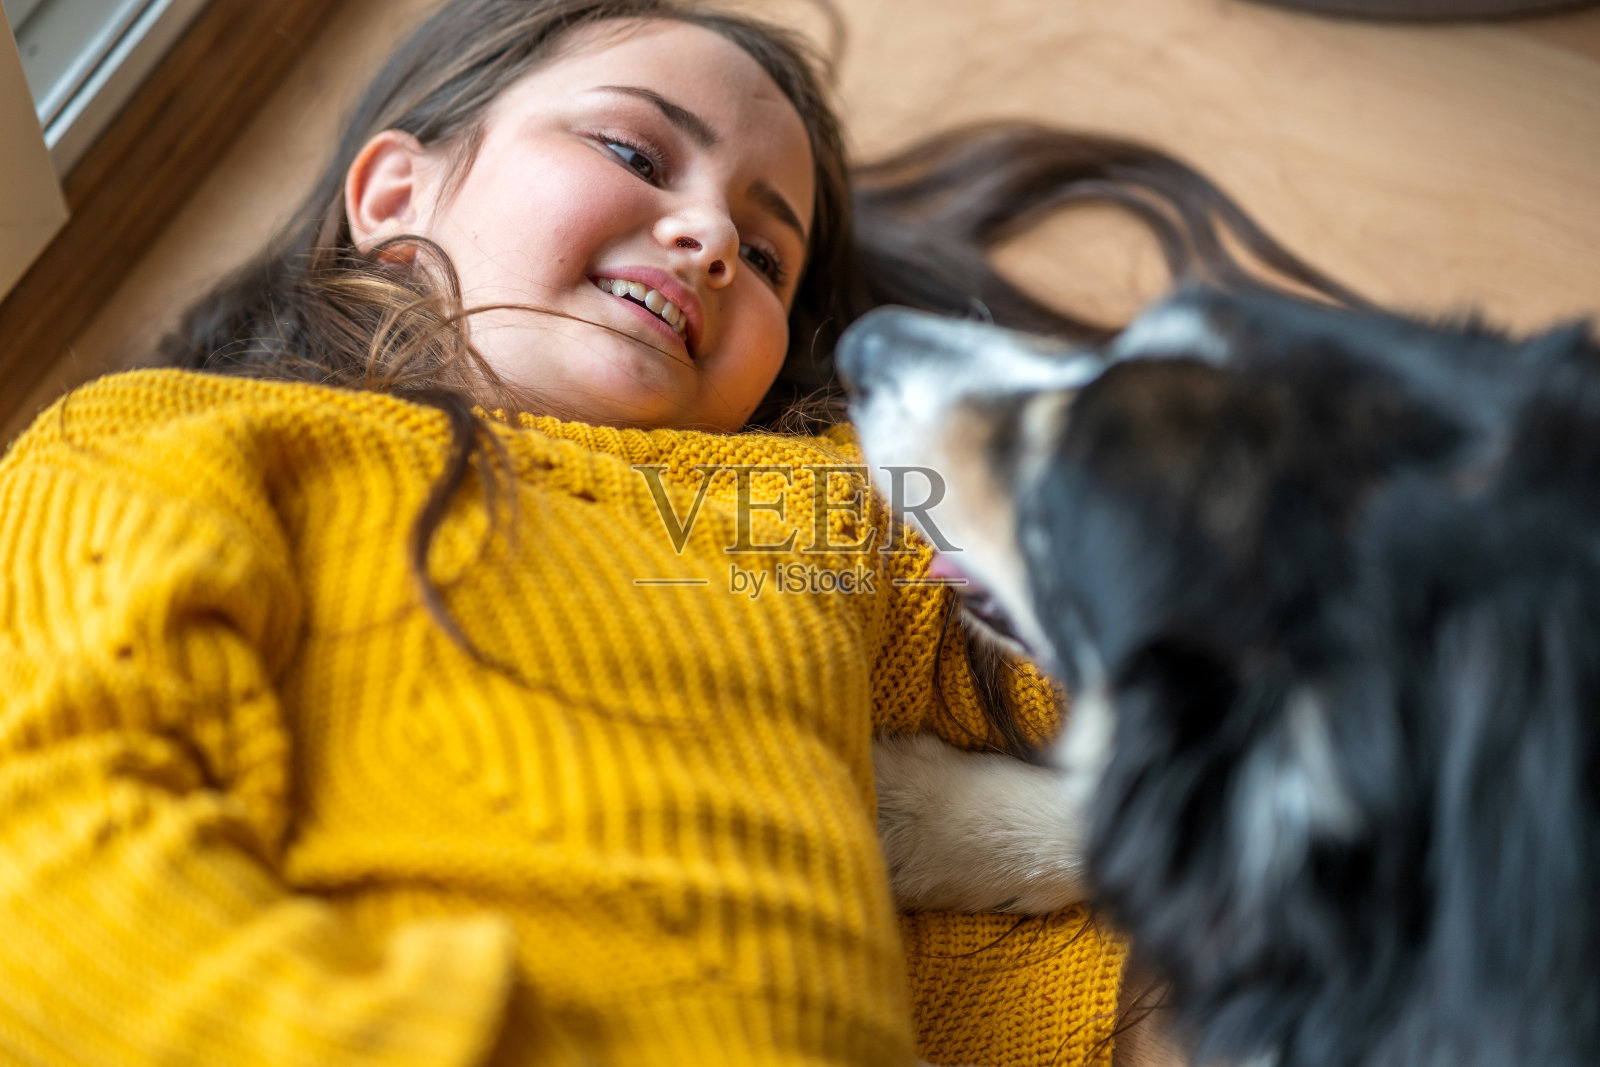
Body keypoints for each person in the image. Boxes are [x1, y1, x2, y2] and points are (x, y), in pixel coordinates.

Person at [0, 1, 1359, 1064]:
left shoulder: (796, 509)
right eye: (633, 152)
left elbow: (1081, 673)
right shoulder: (171, 441)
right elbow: (52, 839)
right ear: (396, 194)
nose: (711, 234)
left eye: (769, 259)